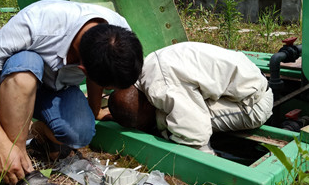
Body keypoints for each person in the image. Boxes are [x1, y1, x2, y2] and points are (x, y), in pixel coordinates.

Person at [0, 0, 143, 185]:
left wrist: (94, 111)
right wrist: (0, 146)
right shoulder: (36, 23)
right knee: (26, 65)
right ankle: (20, 170)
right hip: (9, 81)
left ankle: (40, 130)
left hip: (55, 86)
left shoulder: (120, 34)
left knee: (81, 133)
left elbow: (100, 68)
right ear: (82, 71)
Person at [108, 41, 273, 155]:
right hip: (246, 84)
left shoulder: (160, 87)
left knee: (170, 123)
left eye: (143, 123)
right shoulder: (147, 68)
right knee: (177, 112)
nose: (144, 127)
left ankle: (212, 158)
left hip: (254, 103)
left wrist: (204, 168)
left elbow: (195, 132)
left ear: (145, 105)